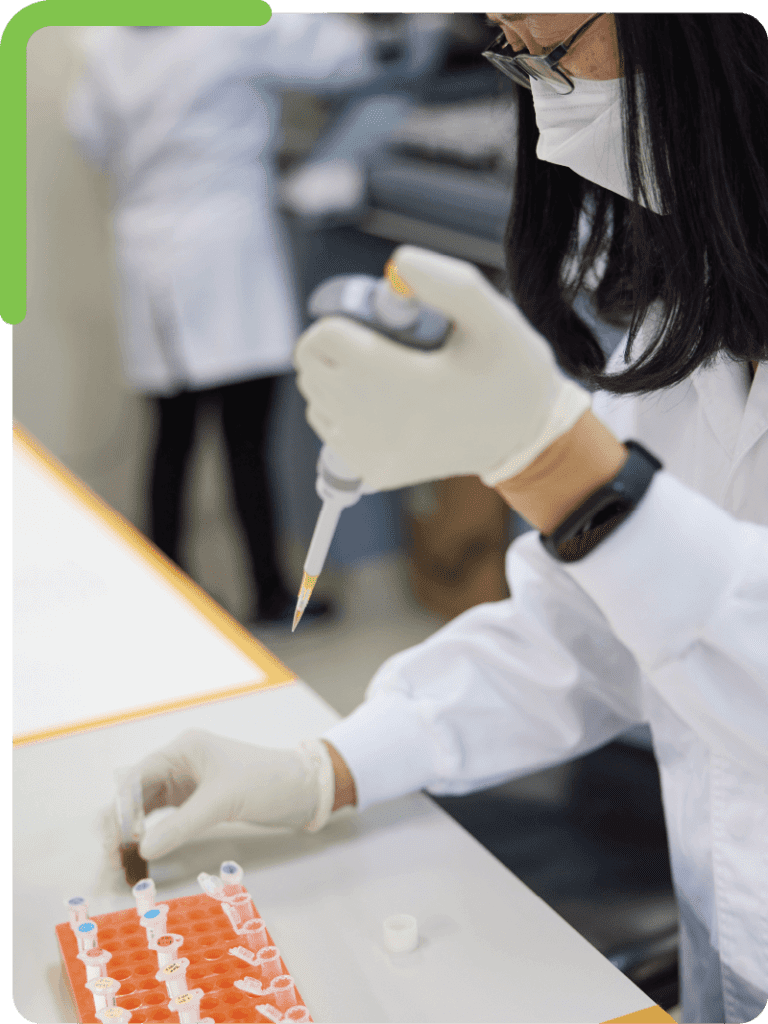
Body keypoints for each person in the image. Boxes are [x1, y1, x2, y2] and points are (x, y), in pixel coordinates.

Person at [104, 16, 767, 1024]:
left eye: (557, 42)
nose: (549, 96)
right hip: (728, 926)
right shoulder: (689, 291)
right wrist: (325, 768)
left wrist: (569, 475)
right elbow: (586, 636)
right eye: (510, 49)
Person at [66, 16, 378, 624]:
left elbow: (90, 140)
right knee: (246, 439)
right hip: (224, 243)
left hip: (148, 249)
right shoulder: (233, 26)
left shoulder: (103, 44)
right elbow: (349, 58)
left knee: (173, 436)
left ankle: (166, 594)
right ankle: (266, 591)